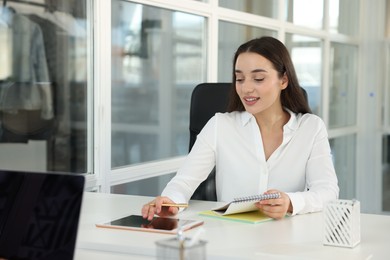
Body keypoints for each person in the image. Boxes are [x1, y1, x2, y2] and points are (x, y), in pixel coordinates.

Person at [142, 36, 339, 220]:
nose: (246, 88)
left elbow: (327, 191)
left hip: (286, 240)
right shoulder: (220, 125)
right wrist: (169, 200)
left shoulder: (311, 128)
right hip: (230, 238)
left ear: (283, 80)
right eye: (239, 79)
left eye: (258, 79)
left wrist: (290, 202)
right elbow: (183, 182)